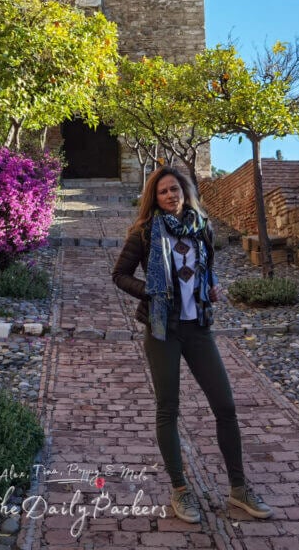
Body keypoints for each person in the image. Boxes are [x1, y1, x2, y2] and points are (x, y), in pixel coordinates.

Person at [111, 166, 273, 524]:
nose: (171, 195)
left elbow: (206, 268)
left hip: (198, 328)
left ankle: (239, 488)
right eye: (163, 191)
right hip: (162, 331)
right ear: (155, 198)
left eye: (175, 189)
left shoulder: (202, 228)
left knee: (225, 405)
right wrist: (150, 292)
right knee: (168, 409)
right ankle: (180, 489)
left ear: (185, 192)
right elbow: (119, 275)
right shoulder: (145, 231)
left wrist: (211, 287)